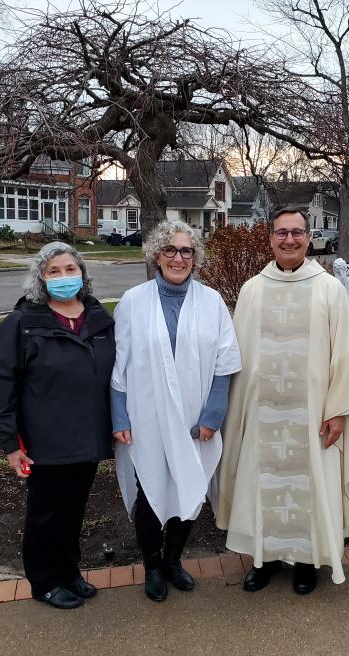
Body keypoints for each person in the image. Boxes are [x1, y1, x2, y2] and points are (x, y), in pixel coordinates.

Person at [215, 208, 349, 595]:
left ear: (309, 237)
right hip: (262, 415)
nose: (290, 240)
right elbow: (239, 356)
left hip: (314, 416)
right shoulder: (253, 290)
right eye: (282, 233)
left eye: (297, 232)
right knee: (260, 483)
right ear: (271, 238)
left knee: (311, 486)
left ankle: (307, 561)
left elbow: (346, 354)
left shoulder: (329, 289)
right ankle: (264, 558)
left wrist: (338, 411)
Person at [111, 221, 241, 602]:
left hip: (194, 420)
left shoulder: (212, 302)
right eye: (169, 250)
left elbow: (225, 362)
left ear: (195, 257)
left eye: (186, 251)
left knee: (190, 489)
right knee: (151, 492)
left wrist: (213, 415)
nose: (178, 258)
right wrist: (119, 416)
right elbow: (119, 364)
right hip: (146, 417)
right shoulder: (133, 301)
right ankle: (152, 566)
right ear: (156, 256)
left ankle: (172, 560)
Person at [0, 241, 115, 610]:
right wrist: (11, 444)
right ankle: (44, 581)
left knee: (73, 510)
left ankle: (68, 571)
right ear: (41, 279)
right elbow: (2, 384)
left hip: (88, 437)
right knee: (46, 514)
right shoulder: (23, 324)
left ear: (82, 274)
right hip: (46, 441)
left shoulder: (99, 318)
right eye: (54, 271)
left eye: (70, 269)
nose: (63, 277)